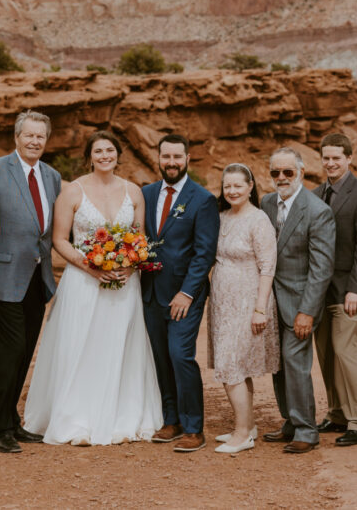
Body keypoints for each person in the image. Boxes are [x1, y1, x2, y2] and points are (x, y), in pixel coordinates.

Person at [24, 131, 163, 445]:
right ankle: (77, 420)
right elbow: (59, 239)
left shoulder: (134, 192)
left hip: (125, 282)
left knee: (120, 344)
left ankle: (122, 418)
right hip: (84, 281)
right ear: (89, 156)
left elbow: (140, 238)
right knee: (82, 344)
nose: (104, 155)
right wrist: (90, 266)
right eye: (98, 151)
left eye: (110, 150)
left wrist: (129, 265)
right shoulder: (72, 192)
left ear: (117, 154)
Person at [0, 110, 62, 454]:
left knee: (24, 355)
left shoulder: (52, 176)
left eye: (41, 136)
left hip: (37, 279)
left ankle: (13, 420)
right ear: (17, 137)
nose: (35, 141)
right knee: (9, 355)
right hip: (1, 279)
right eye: (29, 135)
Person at [141, 134, 219, 453]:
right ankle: (170, 420)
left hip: (185, 296)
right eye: (165, 156)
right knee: (160, 357)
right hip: (150, 291)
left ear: (188, 159)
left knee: (180, 355)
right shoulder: (144, 194)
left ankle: (193, 426)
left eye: (177, 157)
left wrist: (187, 292)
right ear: (158, 158)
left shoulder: (202, 199)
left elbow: (204, 253)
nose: (171, 162)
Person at [260, 147, 336, 454]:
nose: (281, 178)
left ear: (301, 173)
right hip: (271, 301)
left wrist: (307, 311)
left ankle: (307, 429)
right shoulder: (266, 202)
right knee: (278, 365)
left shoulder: (317, 211)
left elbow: (322, 268)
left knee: (295, 363)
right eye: (275, 173)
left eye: (287, 172)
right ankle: (290, 421)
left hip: (300, 303)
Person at [312, 132, 357, 447]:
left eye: (336, 158)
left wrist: (356, 288)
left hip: (349, 292)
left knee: (346, 352)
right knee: (326, 354)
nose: (330, 163)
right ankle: (338, 412)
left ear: (349, 158)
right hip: (320, 290)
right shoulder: (315, 194)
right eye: (326, 157)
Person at [208, 163, 279, 454]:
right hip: (222, 304)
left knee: (232, 366)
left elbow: (267, 267)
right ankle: (247, 425)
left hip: (249, 300)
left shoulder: (258, 219)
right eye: (228, 186)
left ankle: (242, 435)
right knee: (235, 366)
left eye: (239, 185)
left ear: (250, 187)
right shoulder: (221, 217)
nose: (233, 191)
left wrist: (260, 309)